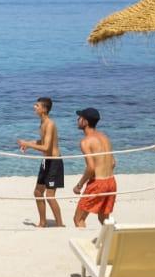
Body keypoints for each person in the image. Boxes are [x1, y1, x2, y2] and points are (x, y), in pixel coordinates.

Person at [17, 97, 64, 227]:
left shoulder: (50, 124)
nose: (34, 107)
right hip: (45, 162)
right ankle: (42, 222)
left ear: (44, 109)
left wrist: (28, 144)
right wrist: (30, 143)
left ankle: (60, 225)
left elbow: (47, 147)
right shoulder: (42, 123)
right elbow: (42, 142)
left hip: (54, 162)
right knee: (38, 192)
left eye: (37, 105)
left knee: (50, 196)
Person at [73, 107, 117, 227]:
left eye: (80, 117)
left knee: (78, 219)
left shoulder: (86, 141)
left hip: (98, 183)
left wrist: (79, 185)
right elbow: (113, 163)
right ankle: (111, 243)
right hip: (111, 182)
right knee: (104, 219)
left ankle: (83, 245)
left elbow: (91, 168)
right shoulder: (104, 137)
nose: (77, 119)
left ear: (85, 122)